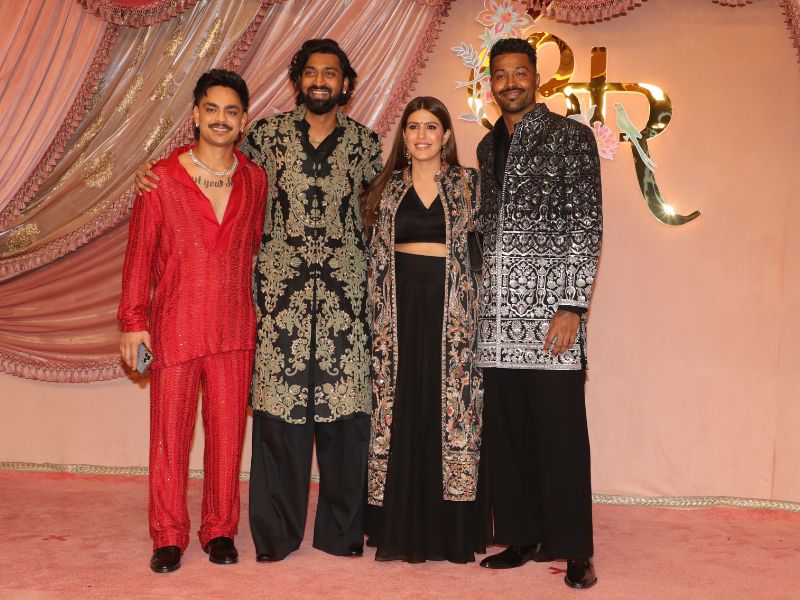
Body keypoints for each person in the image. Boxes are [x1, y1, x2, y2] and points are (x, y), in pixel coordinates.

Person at [139, 39, 382, 561]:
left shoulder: (366, 145)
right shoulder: (265, 139)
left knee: (339, 422)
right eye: (311, 72)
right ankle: (251, 536)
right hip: (275, 307)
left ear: (345, 82)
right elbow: (208, 162)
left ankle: (329, 534)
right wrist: (153, 171)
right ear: (297, 80)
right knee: (274, 424)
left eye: (331, 73)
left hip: (339, 304)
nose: (321, 81)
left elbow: (382, 207)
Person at [119, 69, 266, 573]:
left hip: (234, 329)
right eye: (212, 109)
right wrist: (132, 322)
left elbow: (254, 246)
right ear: (196, 115)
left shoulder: (255, 179)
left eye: (231, 111)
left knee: (227, 437)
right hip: (174, 328)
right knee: (169, 436)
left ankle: (220, 530)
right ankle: (167, 535)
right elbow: (139, 256)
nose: (221, 119)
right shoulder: (161, 179)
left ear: (243, 120)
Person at [475, 38, 603, 589]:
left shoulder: (570, 137)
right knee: (508, 436)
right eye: (501, 75)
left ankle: (575, 549)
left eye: (519, 73)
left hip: (551, 314)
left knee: (560, 435)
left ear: (536, 78)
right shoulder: (486, 146)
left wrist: (572, 305)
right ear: (491, 84)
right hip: (496, 318)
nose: (511, 83)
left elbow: (587, 224)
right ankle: (522, 535)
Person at [362, 96, 486, 563]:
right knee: (401, 406)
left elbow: (482, 253)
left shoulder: (469, 184)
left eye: (431, 127)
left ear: (446, 135)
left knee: (447, 407)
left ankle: (449, 528)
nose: (421, 135)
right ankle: (396, 522)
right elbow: (374, 256)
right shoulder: (385, 187)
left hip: (452, 314)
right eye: (413, 127)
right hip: (397, 315)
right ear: (404, 136)